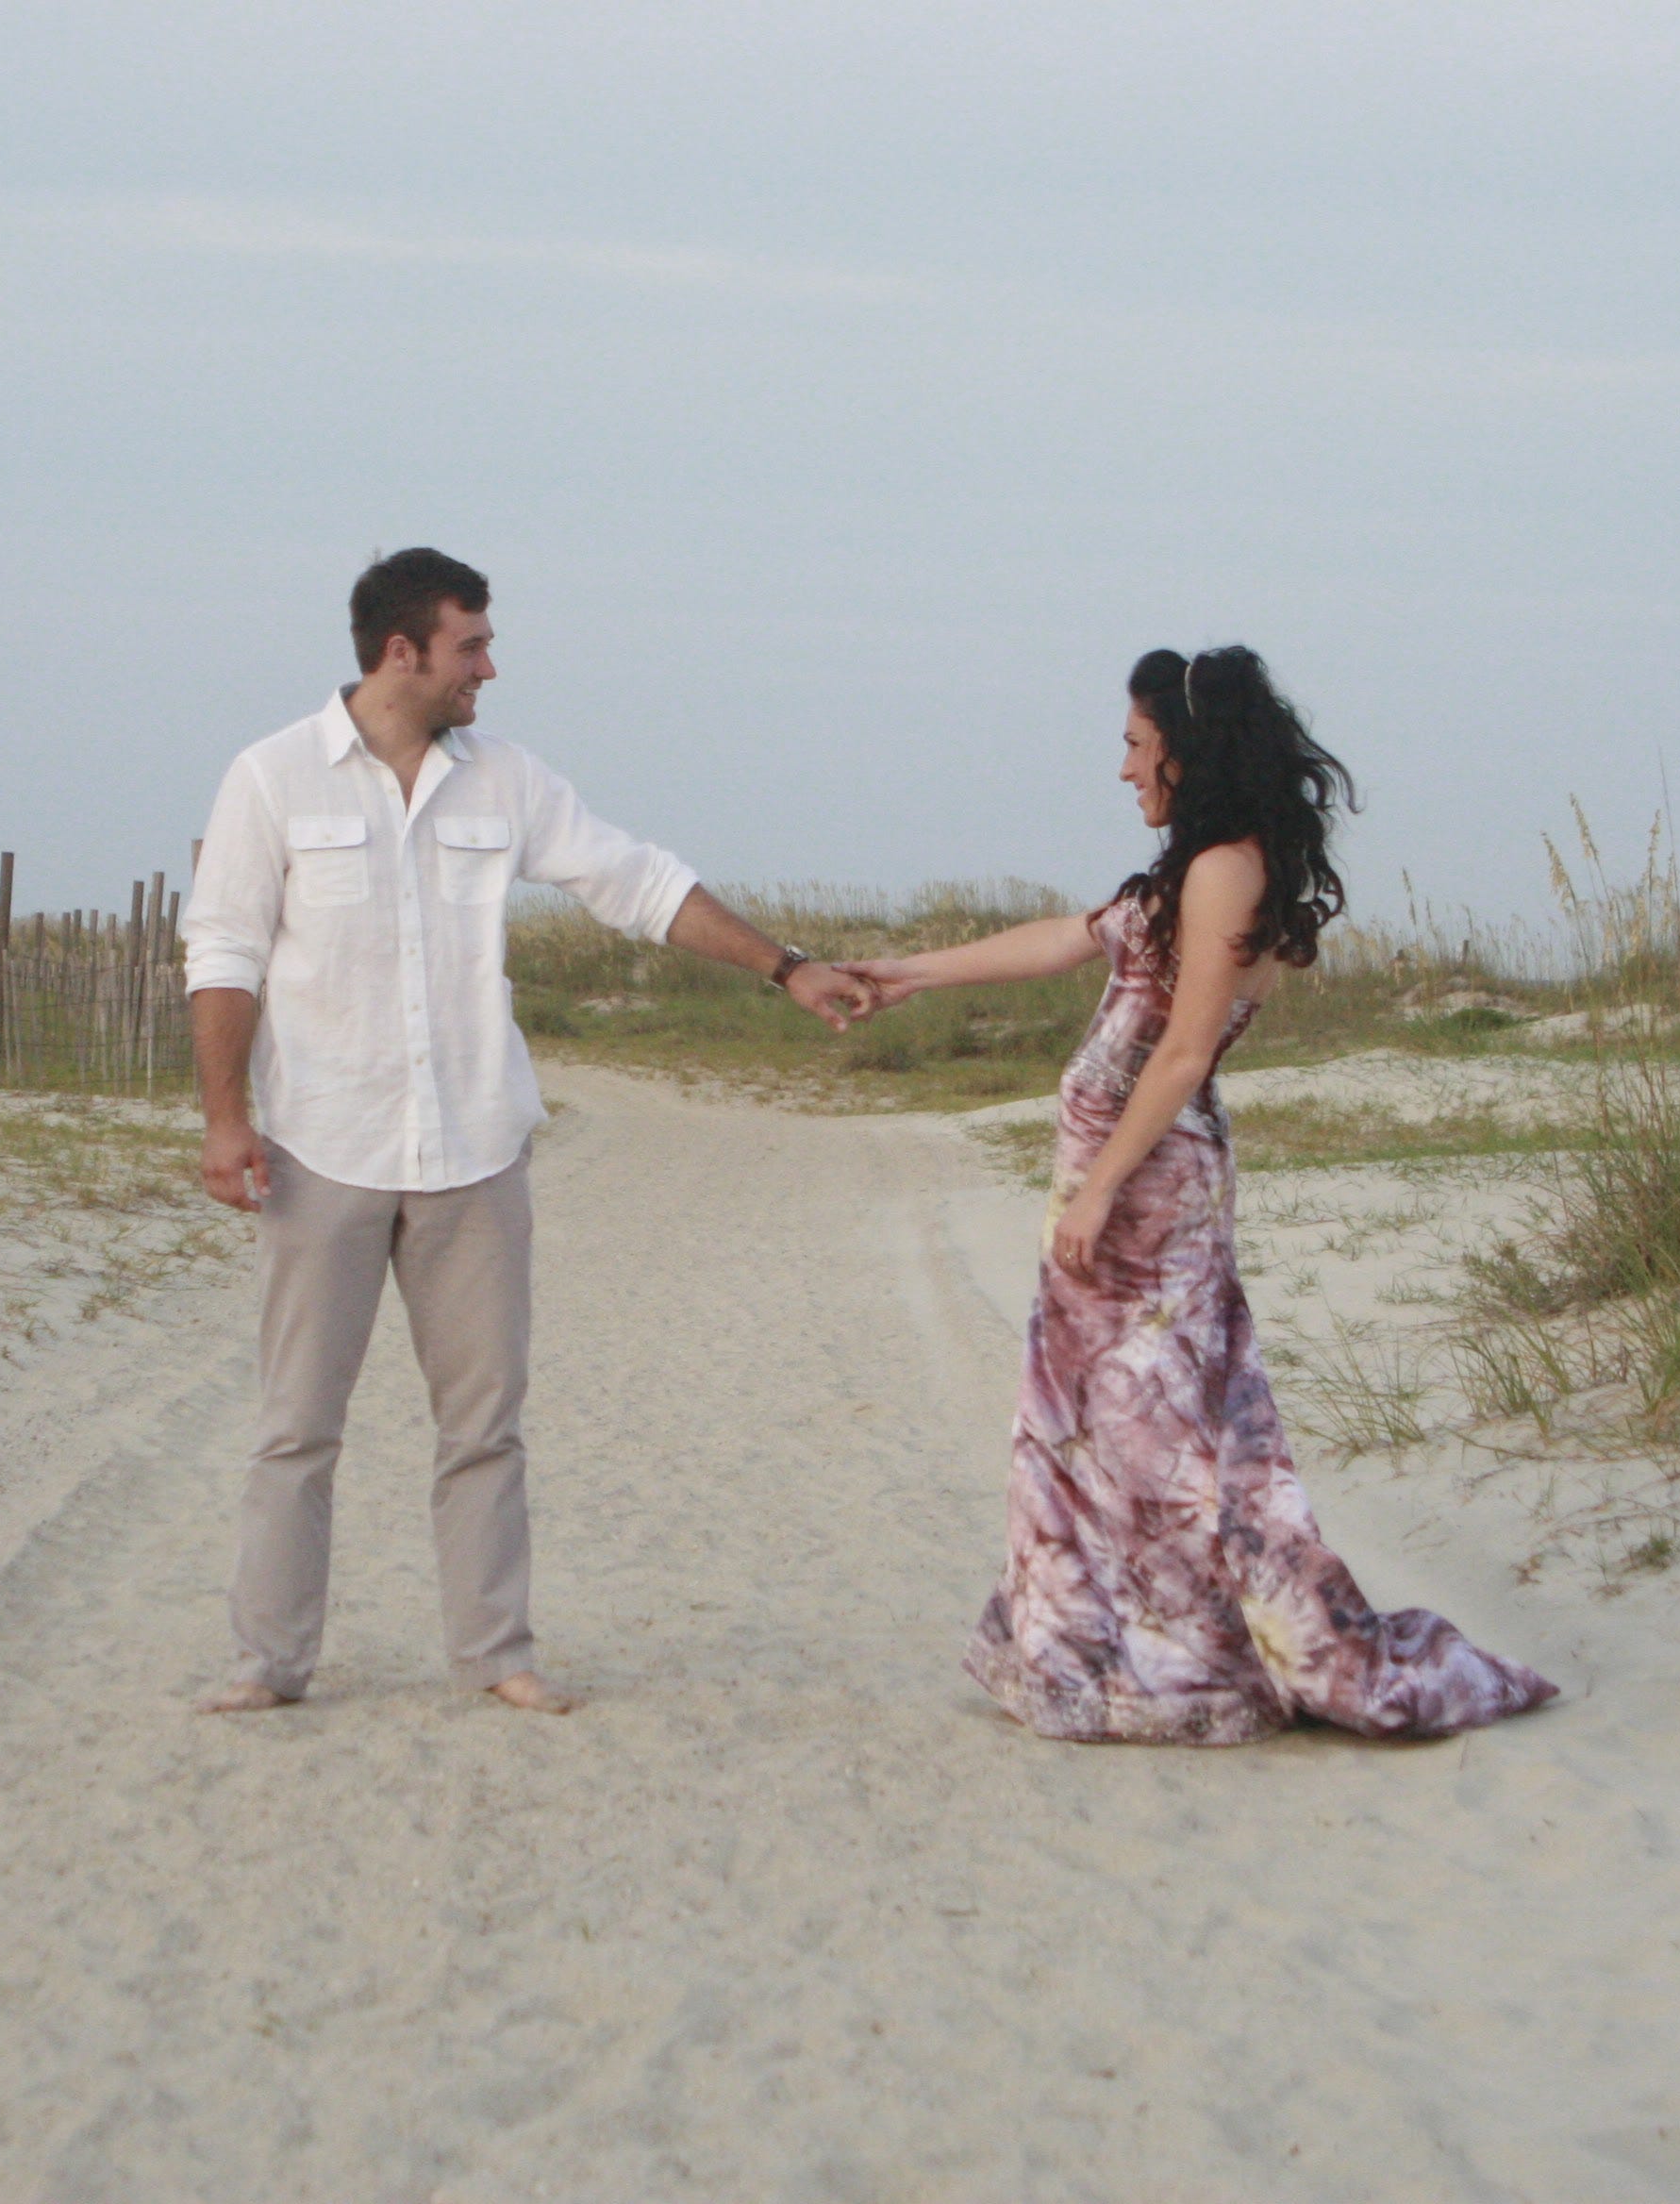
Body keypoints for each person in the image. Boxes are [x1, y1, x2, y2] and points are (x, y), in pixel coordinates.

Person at [181, 548, 874, 1715]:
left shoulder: (505, 779)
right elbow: (224, 951)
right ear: (402, 651)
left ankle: (496, 1652)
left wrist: (785, 966)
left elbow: (636, 882)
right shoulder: (271, 776)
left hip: (474, 1151)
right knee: (296, 1425)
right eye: (472, 646)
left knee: (485, 1427)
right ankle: (268, 1661)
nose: (489, 669)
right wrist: (223, 1119)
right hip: (322, 1144)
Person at [840, 647, 1556, 1744]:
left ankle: (1192, 1662)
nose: (1126, 768)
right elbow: (1066, 939)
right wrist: (908, 973)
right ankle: (1097, 1649)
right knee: (1091, 1425)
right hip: (1116, 1178)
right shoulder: (1191, 870)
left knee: (1160, 1431)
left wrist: (1098, 1192)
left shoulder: (1226, 869)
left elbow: (1182, 1054)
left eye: (1138, 744)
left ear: (1189, 746)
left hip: (1151, 1187)